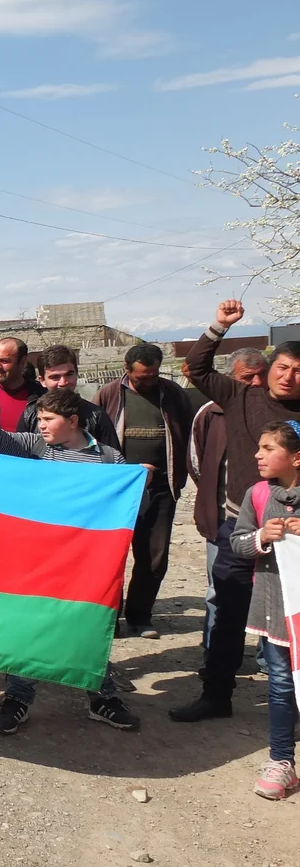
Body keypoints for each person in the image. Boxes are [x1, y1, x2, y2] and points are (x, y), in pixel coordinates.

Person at [0, 388, 139, 734]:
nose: (41, 424)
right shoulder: (37, 448)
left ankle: (102, 697)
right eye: (40, 418)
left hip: (86, 564)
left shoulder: (109, 459)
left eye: (49, 419)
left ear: (73, 422)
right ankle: (18, 698)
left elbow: (122, 511)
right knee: (28, 626)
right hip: (39, 560)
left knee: (90, 627)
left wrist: (140, 480)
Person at [176, 298, 300, 716]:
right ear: (269, 368)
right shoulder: (239, 395)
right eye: (283, 367)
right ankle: (216, 696)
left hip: (293, 533)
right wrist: (219, 326)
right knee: (227, 610)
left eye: (299, 372)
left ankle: (292, 704)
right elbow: (196, 367)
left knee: (291, 621)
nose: (289, 377)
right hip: (240, 527)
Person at [96, 344, 194, 638]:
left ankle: (140, 616)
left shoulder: (173, 394)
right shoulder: (109, 395)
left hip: (162, 488)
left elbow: (188, 433)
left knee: (154, 556)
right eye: (142, 376)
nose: (149, 381)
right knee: (111, 555)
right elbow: (95, 437)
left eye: (153, 375)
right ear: (127, 371)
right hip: (118, 489)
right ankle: (108, 619)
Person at [228, 420, 300, 800]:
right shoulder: (257, 493)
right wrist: (261, 537)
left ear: (296, 458)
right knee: (280, 682)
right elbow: (237, 542)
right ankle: (282, 761)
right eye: (260, 446)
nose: (258, 454)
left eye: (269, 448)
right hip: (273, 605)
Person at [14, 346, 119, 449]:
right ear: (42, 381)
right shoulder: (30, 415)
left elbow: (112, 461)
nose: (63, 383)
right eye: (55, 377)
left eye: (69, 375)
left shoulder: (96, 416)